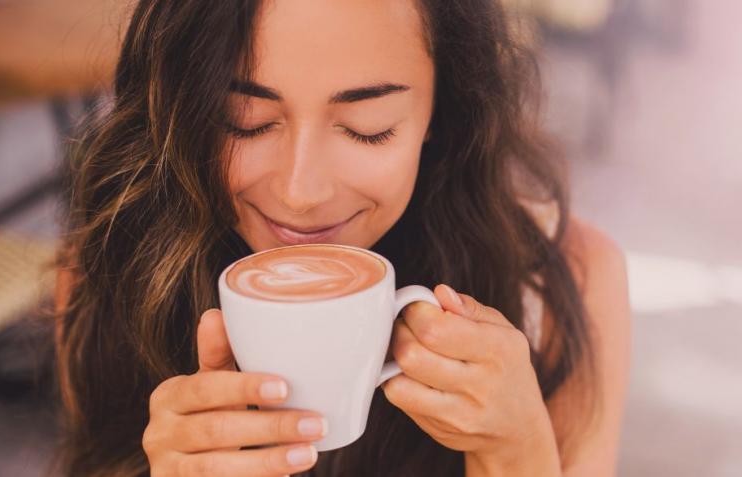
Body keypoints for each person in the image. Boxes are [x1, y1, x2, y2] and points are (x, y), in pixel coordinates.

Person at [53, 0, 630, 475]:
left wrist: (516, 453)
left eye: (367, 130)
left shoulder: (565, 285)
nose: (301, 192)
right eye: (243, 121)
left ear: (442, 111)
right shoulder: (112, 263)